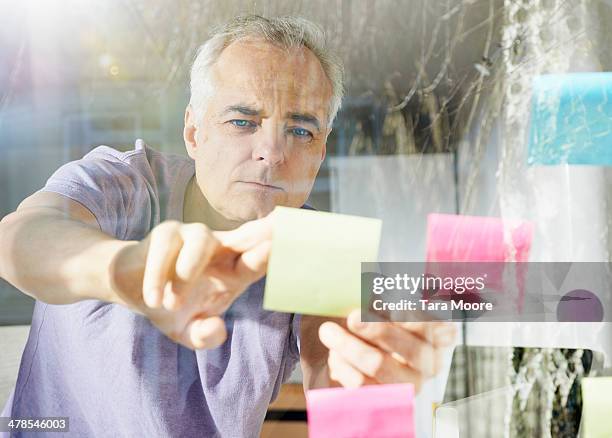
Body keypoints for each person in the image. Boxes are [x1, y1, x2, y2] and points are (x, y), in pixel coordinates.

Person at [0, 15, 456, 437]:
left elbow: (339, 380)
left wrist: (378, 382)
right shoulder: (124, 182)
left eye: (300, 131)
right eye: (242, 121)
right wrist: (120, 269)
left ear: (320, 151)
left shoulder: (320, 248)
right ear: (194, 132)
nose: (271, 152)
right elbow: (20, 240)